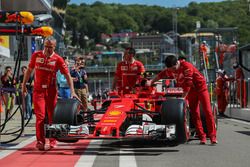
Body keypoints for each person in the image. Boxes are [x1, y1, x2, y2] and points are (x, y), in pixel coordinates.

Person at [22, 36, 78, 151]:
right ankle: (40, 141)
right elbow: (29, 70)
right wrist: (23, 85)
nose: (48, 49)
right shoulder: (36, 55)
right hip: (38, 91)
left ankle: (53, 140)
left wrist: (72, 91)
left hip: (51, 91)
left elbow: (67, 75)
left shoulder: (58, 59)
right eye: (46, 47)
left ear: (54, 47)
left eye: (50, 47)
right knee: (40, 116)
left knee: (53, 116)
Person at [148, 55, 217, 144]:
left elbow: (188, 84)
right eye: (170, 69)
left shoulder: (187, 66)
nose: (172, 71)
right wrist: (151, 82)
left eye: (173, 68)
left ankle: (212, 137)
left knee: (207, 111)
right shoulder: (171, 69)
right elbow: (161, 75)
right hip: (191, 92)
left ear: (177, 63)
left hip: (201, 88)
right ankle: (202, 137)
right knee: (195, 113)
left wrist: (182, 98)